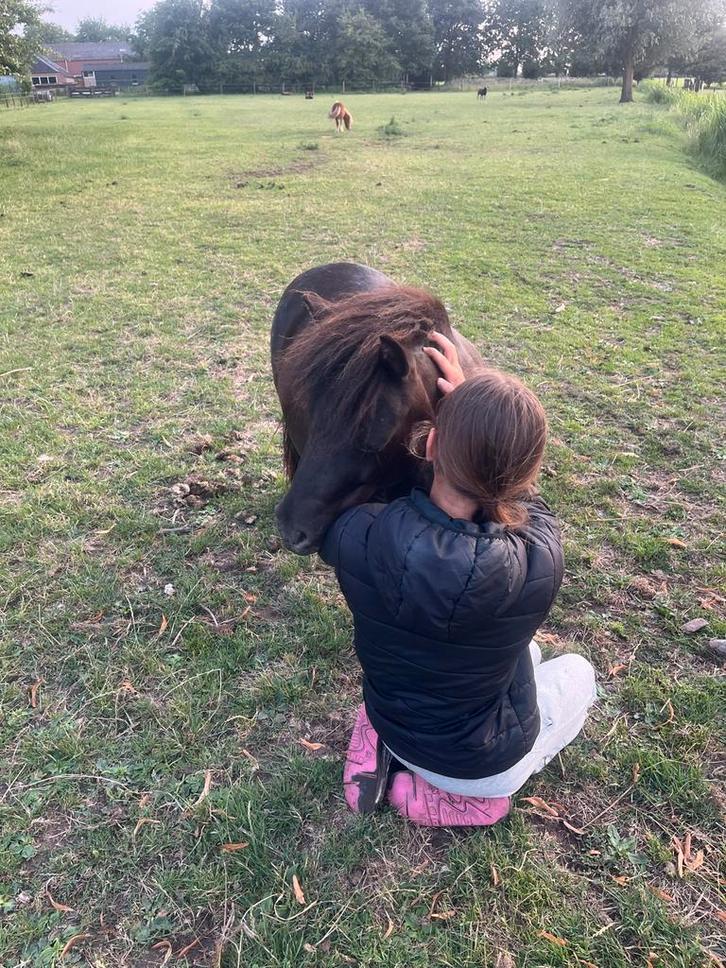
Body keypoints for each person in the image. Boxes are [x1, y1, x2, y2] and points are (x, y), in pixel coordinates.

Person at [319, 332, 597, 827]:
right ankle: (467, 802)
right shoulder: (538, 560)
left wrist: (458, 418)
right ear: (522, 475)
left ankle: (378, 737)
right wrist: (481, 429)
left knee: (511, 656)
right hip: (476, 766)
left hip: (390, 714)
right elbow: (527, 505)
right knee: (576, 671)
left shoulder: (358, 536)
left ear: (429, 443)